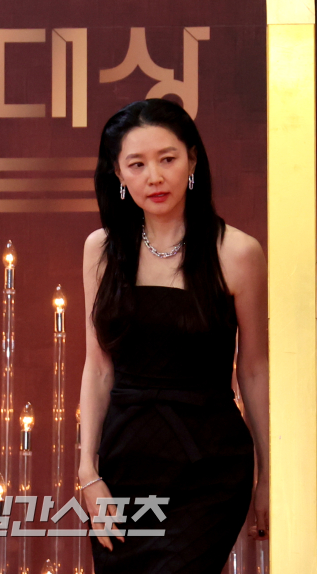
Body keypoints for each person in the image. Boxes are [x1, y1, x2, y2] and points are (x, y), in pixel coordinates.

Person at [77, 98, 269, 573]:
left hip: (209, 466)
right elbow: (98, 367)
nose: (155, 177)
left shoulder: (238, 253)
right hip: (125, 464)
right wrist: (88, 472)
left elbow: (254, 369)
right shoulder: (101, 250)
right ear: (118, 173)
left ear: (193, 160)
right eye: (137, 164)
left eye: (167, 159)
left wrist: (269, 474)